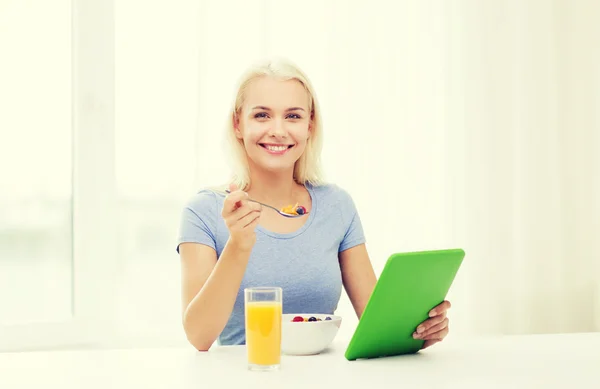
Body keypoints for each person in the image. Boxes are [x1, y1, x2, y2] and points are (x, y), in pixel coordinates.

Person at [176, 58, 451, 351]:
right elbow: (199, 337)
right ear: (238, 125)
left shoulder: (337, 206)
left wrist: (422, 331)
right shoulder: (204, 211)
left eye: (293, 116)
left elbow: (378, 325)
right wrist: (239, 245)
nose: (278, 130)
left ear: (310, 125)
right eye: (262, 115)